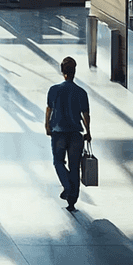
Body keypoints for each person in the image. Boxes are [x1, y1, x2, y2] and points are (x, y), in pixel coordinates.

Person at [45, 56, 91, 212]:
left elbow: (49, 109)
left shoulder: (54, 90)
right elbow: (86, 115)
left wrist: (47, 125)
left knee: (58, 161)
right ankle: (72, 202)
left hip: (58, 133)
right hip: (76, 134)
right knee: (74, 166)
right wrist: (88, 132)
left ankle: (67, 185)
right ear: (74, 72)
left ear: (62, 71)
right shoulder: (81, 92)